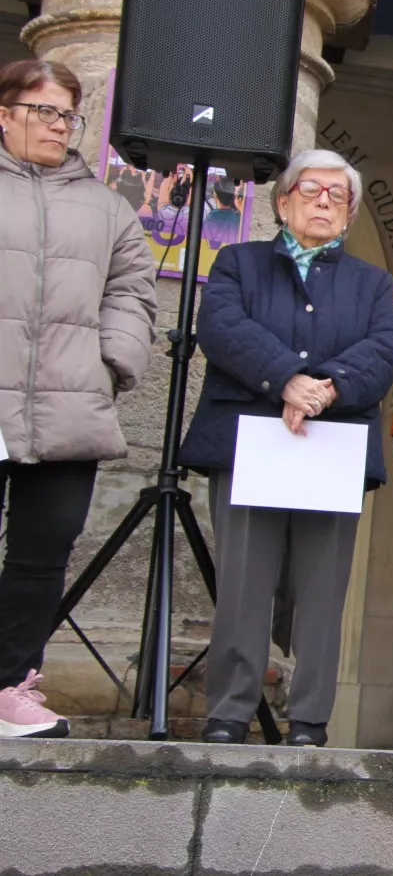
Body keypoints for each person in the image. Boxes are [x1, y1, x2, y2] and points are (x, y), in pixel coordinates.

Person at [180, 149, 393, 748]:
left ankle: (309, 721)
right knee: (244, 584)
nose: (324, 201)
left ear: (350, 212)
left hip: (333, 445)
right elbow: (223, 328)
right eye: (311, 190)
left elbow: (383, 352)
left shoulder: (374, 283)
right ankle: (229, 711)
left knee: (322, 591)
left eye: (338, 195)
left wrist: (325, 388)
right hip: (251, 443)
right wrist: (287, 379)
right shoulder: (237, 263)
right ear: (282, 202)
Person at [0, 58, 157, 739]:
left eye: (68, 114)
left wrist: (111, 363)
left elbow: (133, 288)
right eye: (43, 110)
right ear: (4, 114)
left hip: (69, 406)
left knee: (42, 553)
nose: (57, 125)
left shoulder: (106, 207)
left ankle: (11, 688)